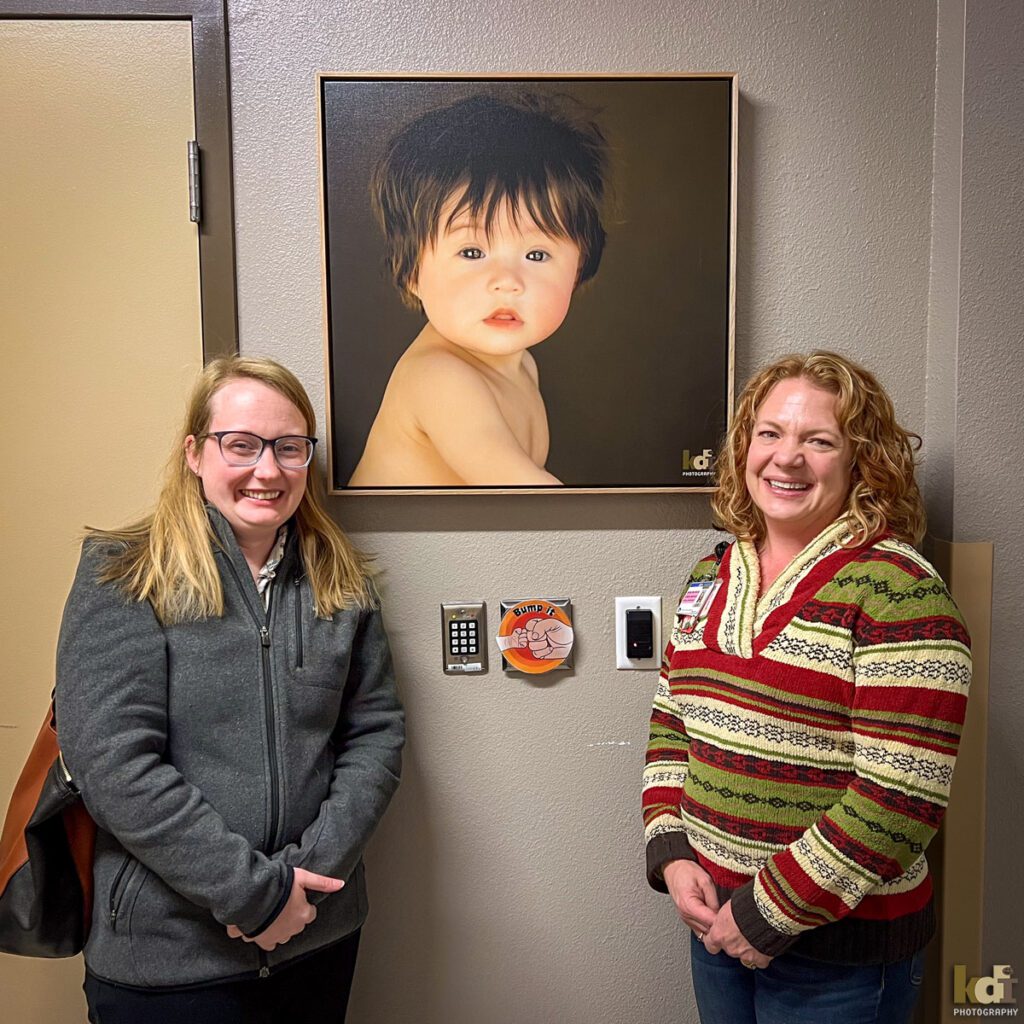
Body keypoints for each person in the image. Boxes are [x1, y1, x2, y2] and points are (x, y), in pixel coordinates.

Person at [55, 357, 405, 1024]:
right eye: (240, 445)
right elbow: (113, 766)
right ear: (194, 452)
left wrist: (304, 888)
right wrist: (254, 896)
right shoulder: (124, 575)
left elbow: (375, 738)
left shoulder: (343, 583)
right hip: (169, 960)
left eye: (289, 447)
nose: (267, 471)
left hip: (316, 937)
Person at [642, 351, 971, 1024]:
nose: (786, 458)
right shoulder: (715, 568)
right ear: (744, 448)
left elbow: (900, 798)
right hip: (716, 927)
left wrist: (769, 911)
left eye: (819, 441)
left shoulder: (899, 592)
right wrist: (671, 849)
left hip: (841, 956)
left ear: (862, 462)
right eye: (770, 433)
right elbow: (673, 718)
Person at [348, 91, 608, 488]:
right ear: (412, 272)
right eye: (472, 251)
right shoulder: (439, 378)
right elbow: (533, 497)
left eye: (537, 255)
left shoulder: (521, 366)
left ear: (578, 270)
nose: (507, 281)